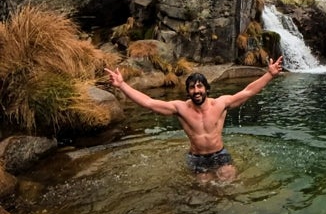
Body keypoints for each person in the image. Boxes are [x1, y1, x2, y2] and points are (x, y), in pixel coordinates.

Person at [104, 56, 283, 182]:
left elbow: (248, 91)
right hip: (196, 158)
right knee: (203, 187)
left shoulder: (220, 104)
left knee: (229, 181)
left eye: (199, 87)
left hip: (220, 154)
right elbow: (149, 103)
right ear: (188, 91)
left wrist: (269, 75)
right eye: (192, 88)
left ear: (206, 89)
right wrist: (122, 85)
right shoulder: (180, 108)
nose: (196, 91)